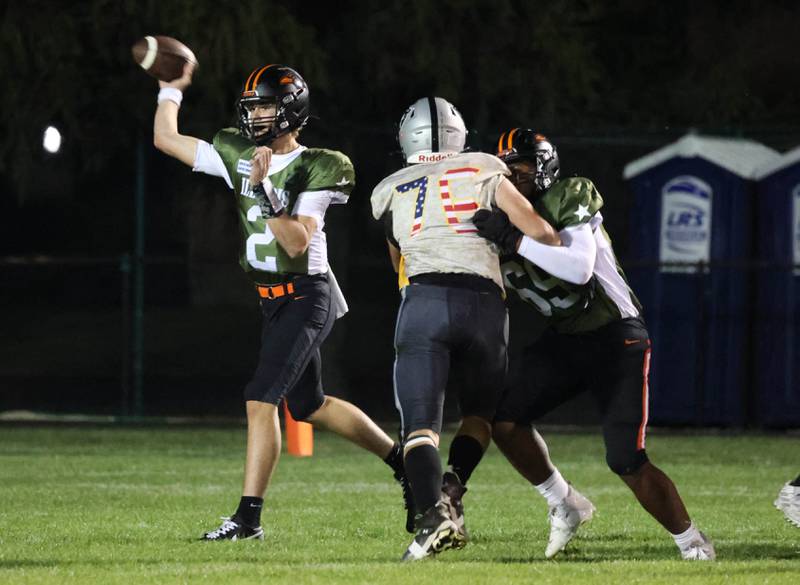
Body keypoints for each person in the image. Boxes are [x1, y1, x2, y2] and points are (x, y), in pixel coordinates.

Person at [151, 62, 412, 540]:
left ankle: (248, 520)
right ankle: (404, 463)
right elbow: (167, 139)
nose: (254, 116)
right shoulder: (239, 152)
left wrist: (266, 190)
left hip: (308, 297)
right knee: (309, 404)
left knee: (259, 397)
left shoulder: (322, 165)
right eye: (251, 106)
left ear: (291, 109)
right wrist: (170, 90)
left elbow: (295, 243)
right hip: (271, 301)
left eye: (265, 105)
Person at [472, 129, 716, 561]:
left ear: (544, 168)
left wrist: (512, 241)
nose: (514, 178)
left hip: (615, 336)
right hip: (566, 338)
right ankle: (565, 503)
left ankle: (692, 541)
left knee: (625, 458)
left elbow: (579, 268)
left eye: (522, 168)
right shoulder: (502, 218)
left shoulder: (570, 194)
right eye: (507, 172)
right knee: (504, 420)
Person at [371, 99, 561, 560]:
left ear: (405, 139)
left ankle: (434, 518)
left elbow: (399, 264)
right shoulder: (484, 167)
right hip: (484, 305)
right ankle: (453, 489)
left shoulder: (388, 189)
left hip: (424, 302)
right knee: (479, 415)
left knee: (419, 428)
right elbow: (543, 233)